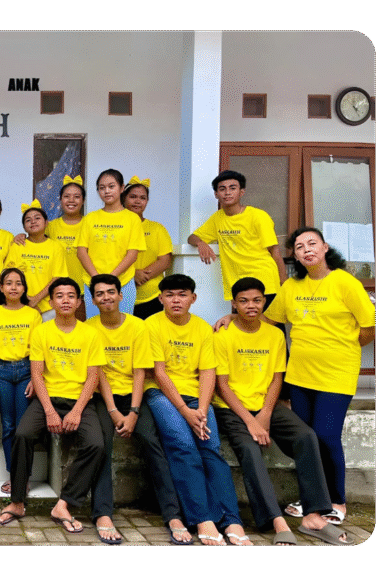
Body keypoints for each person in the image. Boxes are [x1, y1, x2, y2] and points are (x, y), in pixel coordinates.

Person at [238, 227, 374, 527]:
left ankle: (336, 500)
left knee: (326, 435)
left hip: (336, 374)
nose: (306, 249)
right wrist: (232, 318)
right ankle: (312, 498)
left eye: (312, 243)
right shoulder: (291, 286)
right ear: (296, 256)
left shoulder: (345, 282)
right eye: (299, 247)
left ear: (325, 248)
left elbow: (368, 327)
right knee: (305, 439)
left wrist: (343, 346)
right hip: (300, 375)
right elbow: (268, 319)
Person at [212, 277, 352, 545]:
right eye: (244, 301)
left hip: (267, 405)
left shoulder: (275, 334)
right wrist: (251, 422)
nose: (251, 306)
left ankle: (313, 516)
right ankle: (276, 521)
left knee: (306, 436)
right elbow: (222, 385)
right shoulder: (222, 335)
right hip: (232, 408)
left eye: (257, 300)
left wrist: (265, 415)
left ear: (264, 301)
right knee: (250, 449)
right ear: (234, 304)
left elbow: (277, 378)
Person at [0, 278, 107, 534]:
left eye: (71, 296)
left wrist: (76, 411)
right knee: (22, 434)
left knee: (96, 445)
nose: (65, 301)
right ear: (51, 302)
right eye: (59, 296)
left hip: (80, 401)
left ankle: (64, 504)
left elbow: (93, 378)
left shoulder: (91, 334)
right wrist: (50, 412)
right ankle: (17, 501)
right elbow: (37, 375)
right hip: (47, 399)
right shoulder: (41, 332)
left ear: (79, 302)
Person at [143, 274, 250, 546]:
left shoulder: (202, 328)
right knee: (183, 446)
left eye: (182, 294)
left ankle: (231, 519)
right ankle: (202, 517)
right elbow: (159, 373)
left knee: (211, 448)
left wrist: (201, 409)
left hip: (197, 398)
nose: (175, 300)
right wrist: (185, 411)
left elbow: (207, 371)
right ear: (160, 298)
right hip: (162, 394)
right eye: (169, 295)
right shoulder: (151, 324)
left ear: (193, 298)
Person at [86, 274, 190, 545]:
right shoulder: (89, 328)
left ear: (121, 295)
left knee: (152, 441)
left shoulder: (138, 326)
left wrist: (133, 412)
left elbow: (140, 371)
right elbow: (98, 374)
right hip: (102, 397)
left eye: (111, 292)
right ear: (93, 300)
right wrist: (113, 411)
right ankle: (103, 514)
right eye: (100, 293)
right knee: (102, 444)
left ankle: (173, 514)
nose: (106, 297)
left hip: (134, 395)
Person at [187, 169, 286, 307]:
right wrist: (200, 243)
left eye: (232, 188)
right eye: (222, 189)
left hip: (264, 282)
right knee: (244, 321)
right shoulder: (217, 218)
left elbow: (275, 251)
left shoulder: (258, 216)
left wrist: (284, 284)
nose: (227, 192)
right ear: (216, 194)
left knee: (266, 321)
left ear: (242, 192)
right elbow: (192, 237)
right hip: (237, 285)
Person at [0, 268, 41, 494]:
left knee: (23, 428)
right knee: (8, 425)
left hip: (26, 370)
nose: (14, 287)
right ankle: (13, 475)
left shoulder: (33, 315)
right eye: (9, 283)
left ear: (24, 288)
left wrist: (36, 379)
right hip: (2, 371)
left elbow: (38, 351)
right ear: (1, 288)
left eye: (18, 283)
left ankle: (24, 477)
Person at [76, 169, 146, 317]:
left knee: (123, 326)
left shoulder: (132, 219)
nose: (106, 191)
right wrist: (97, 279)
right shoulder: (90, 218)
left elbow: (132, 254)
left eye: (111, 186)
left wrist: (111, 279)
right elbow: (81, 252)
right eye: (102, 188)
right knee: (95, 326)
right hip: (93, 283)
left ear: (122, 188)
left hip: (123, 283)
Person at [3, 200, 67, 319]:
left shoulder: (56, 247)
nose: (33, 221)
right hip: (21, 305)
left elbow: (57, 278)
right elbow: (8, 276)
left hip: (49, 308)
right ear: (24, 227)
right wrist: (25, 299)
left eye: (37, 218)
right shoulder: (17, 246)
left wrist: (36, 299)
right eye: (28, 220)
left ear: (46, 223)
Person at [120, 177, 172, 320]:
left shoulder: (157, 229)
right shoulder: (116, 228)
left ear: (147, 201)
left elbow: (165, 261)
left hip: (152, 297)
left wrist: (141, 277)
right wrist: (132, 276)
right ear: (123, 198)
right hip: (119, 296)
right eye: (133, 197)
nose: (138, 201)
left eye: (142, 198)